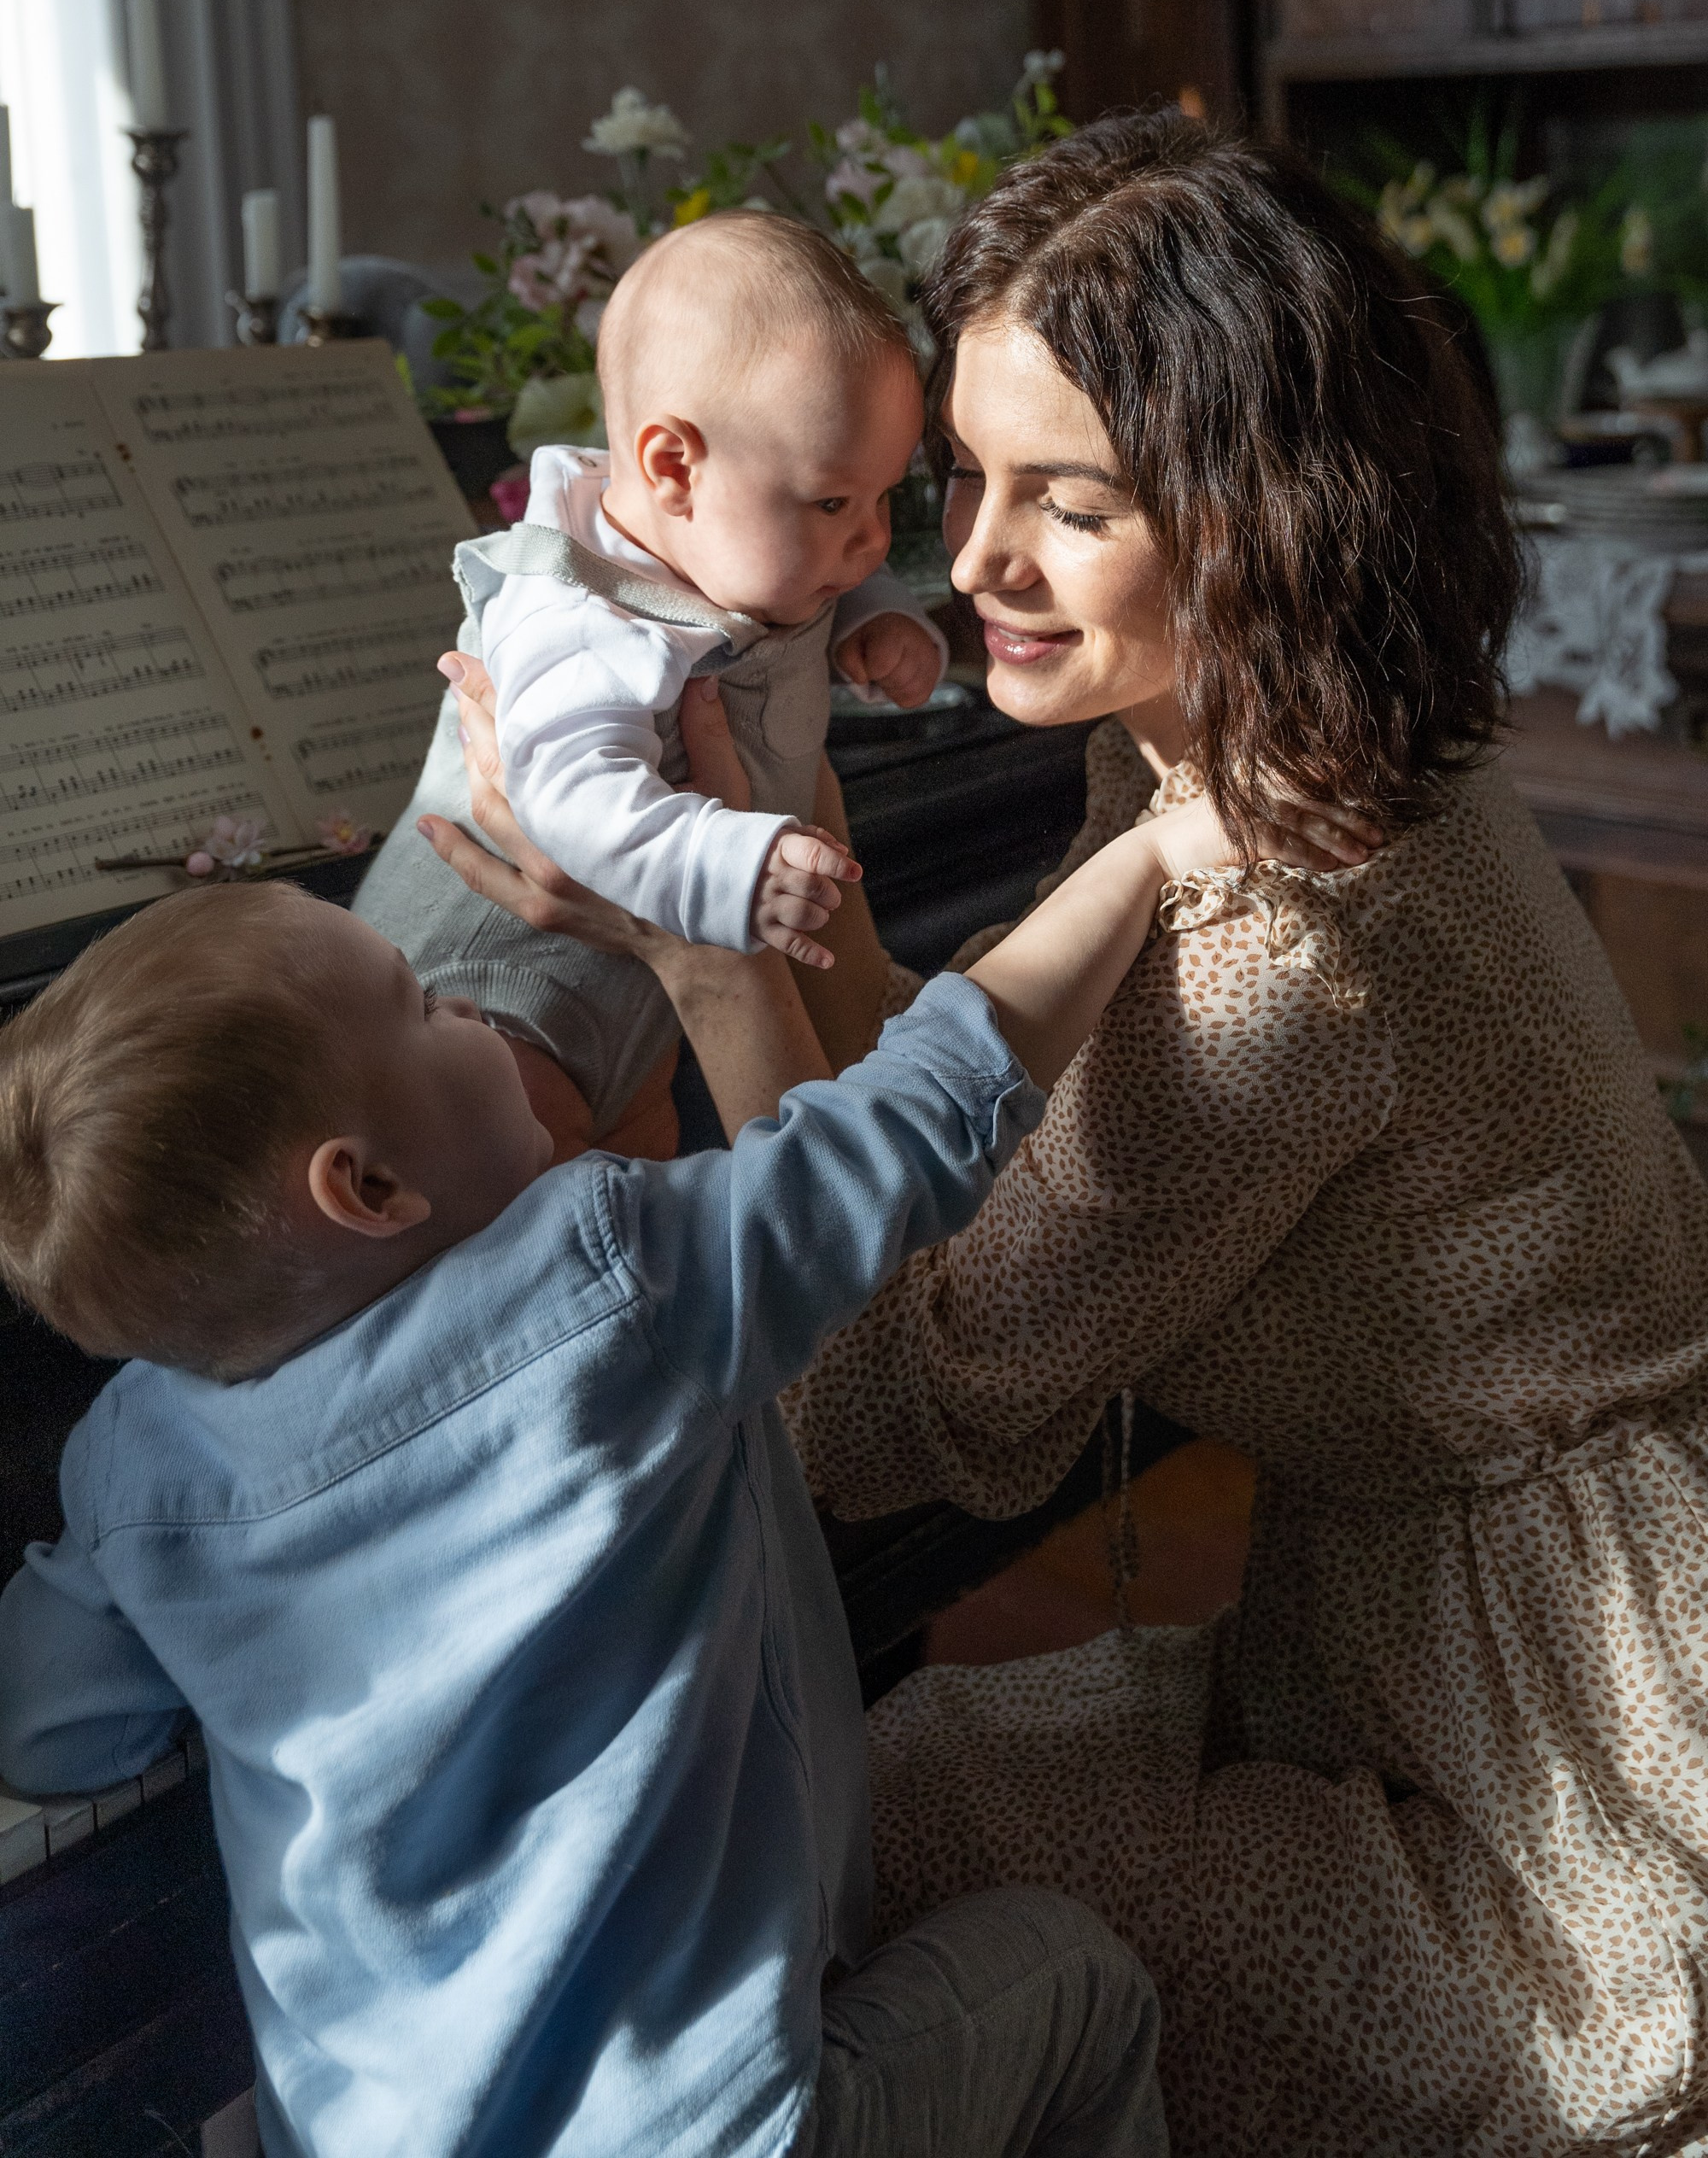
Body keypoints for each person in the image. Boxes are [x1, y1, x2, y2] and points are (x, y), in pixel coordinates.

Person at [422, 110, 1708, 2158]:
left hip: (1560, 1773)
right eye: (963, 475)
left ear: (1258, 518)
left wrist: (698, 967)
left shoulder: (1287, 926)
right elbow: (984, 1138)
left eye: (1063, 501)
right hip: (1413, 1630)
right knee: (885, 1777)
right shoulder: (1254, 733)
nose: (969, 562)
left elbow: (882, 1414)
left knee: (877, 1817)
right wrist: (808, 864)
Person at [0, 744, 1361, 2158]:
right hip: (718, 2136)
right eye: (424, 1005)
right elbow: (922, 1112)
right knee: (1076, 1983)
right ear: (371, 1187)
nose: (466, 998)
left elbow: (47, 1727)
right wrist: (1143, 856)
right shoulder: (605, 1283)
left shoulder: (126, 1469)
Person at [354, 211, 946, 1156]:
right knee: (546, 1178)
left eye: (885, 498)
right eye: (837, 503)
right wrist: (726, 866)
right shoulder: (580, 616)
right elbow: (566, 797)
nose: (871, 538)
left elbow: (792, 571)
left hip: (631, 996)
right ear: (672, 468)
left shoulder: (733, 540)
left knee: (652, 1191)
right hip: (501, 1003)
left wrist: (872, 611)